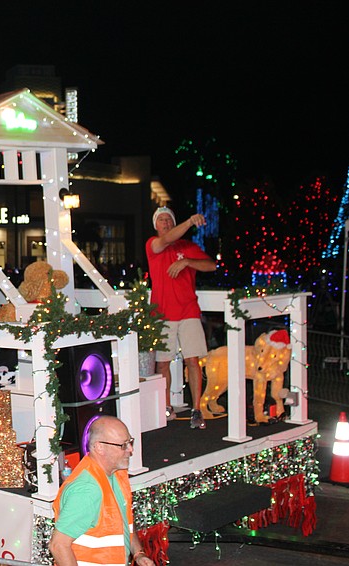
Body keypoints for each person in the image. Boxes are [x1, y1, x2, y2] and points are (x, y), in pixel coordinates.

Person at [49, 416, 154, 566]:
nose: (130, 450)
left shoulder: (117, 473)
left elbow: (125, 523)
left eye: (130, 442)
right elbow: (58, 545)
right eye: (123, 445)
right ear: (99, 447)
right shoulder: (87, 490)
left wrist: (138, 553)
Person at [146, 207, 216, 430]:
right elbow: (165, 239)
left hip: (188, 311)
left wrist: (187, 262)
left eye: (169, 220)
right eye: (161, 220)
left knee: (193, 360)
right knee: (163, 363)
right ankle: (166, 407)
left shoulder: (188, 247)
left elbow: (211, 265)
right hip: (162, 314)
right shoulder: (153, 245)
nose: (165, 223)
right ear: (156, 225)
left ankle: (197, 409)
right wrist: (189, 222)